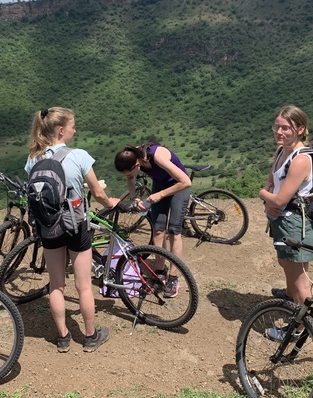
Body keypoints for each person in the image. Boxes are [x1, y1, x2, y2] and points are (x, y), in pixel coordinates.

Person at [26, 107, 118, 353]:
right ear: (61, 130)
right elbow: (98, 193)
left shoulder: (33, 159)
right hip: (76, 225)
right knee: (84, 286)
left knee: (56, 285)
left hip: (49, 227)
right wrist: (112, 203)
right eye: (73, 126)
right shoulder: (79, 156)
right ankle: (90, 337)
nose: (75, 130)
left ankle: (63, 337)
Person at [114, 143, 191, 298]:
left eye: (130, 172)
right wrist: (135, 198)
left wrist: (161, 195)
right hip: (160, 186)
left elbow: (186, 182)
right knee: (158, 230)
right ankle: (159, 273)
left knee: (174, 231)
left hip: (179, 186)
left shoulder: (157, 157)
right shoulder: (131, 157)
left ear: (137, 164)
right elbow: (130, 178)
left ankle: (173, 278)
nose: (130, 176)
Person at [258, 105, 313, 308]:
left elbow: (280, 200)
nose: (279, 132)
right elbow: (271, 182)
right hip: (281, 220)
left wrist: (262, 195)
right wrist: (268, 201)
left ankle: (300, 328)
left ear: (300, 129)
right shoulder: (281, 151)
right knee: (285, 261)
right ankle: (289, 294)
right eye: (276, 127)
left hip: (294, 223)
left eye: (285, 128)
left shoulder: (300, 159)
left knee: (301, 282)